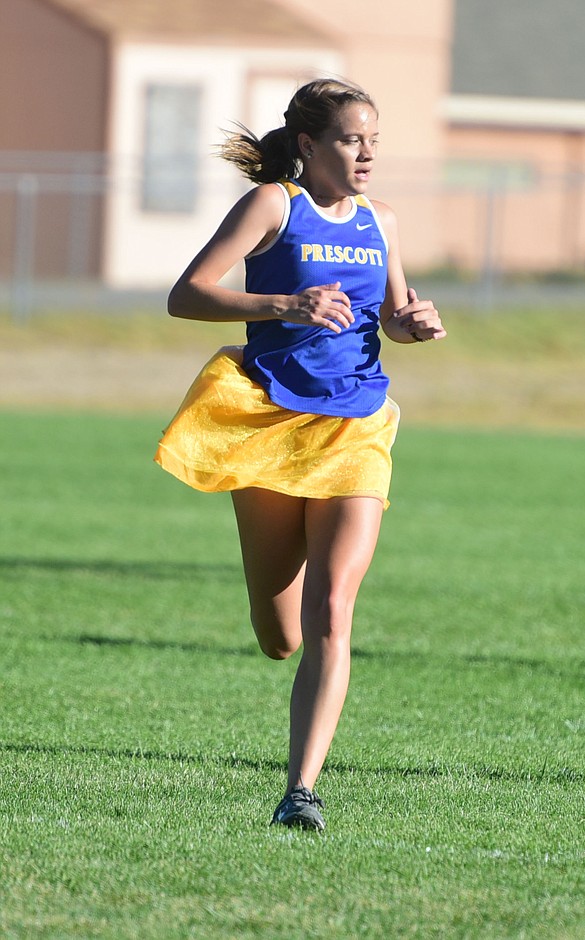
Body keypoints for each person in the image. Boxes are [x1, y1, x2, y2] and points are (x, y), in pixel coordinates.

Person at [154, 78, 446, 830]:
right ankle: (288, 636)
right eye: (352, 140)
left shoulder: (382, 221)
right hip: (272, 423)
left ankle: (300, 792)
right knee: (280, 634)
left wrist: (412, 323)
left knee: (332, 614)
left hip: (358, 426)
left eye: (374, 141)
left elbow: (392, 314)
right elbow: (187, 294)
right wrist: (285, 304)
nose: (367, 154)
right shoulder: (274, 206)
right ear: (311, 146)